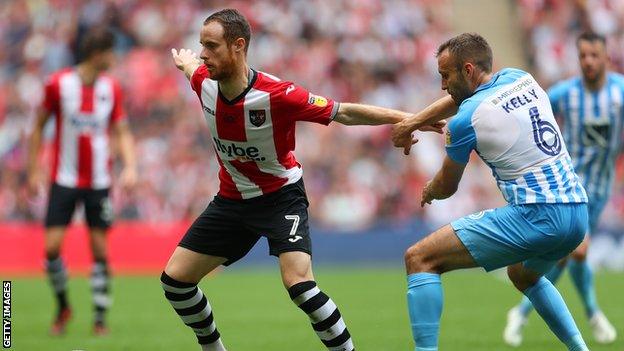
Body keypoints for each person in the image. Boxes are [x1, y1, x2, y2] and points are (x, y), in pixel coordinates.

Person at [162, 8, 442, 351]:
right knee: (175, 282)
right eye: (201, 45)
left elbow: (345, 112)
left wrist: (412, 119)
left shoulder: (279, 94)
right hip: (231, 201)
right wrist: (186, 61)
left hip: (280, 197)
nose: (204, 54)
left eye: (212, 46)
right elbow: (192, 67)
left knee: (299, 285)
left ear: (238, 46)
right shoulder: (203, 81)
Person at [391, 33, 592, 351]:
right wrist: (413, 122)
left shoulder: (465, 121)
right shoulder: (520, 77)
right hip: (577, 214)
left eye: (446, 76)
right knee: (522, 275)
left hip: (537, 215)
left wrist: (429, 190)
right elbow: (463, 98)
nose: (443, 85)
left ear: (467, 70)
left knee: (419, 259)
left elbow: (447, 186)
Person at [504, 31, 619, 347]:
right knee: (577, 250)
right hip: (569, 189)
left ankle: (522, 312)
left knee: (566, 259)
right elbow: (531, 111)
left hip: (600, 191)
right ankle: (593, 314)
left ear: (606, 58)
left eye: (594, 55)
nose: (588, 62)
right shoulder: (565, 94)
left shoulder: (620, 94)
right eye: (583, 56)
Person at [27, 27, 137, 336]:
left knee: (100, 250)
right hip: (64, 178)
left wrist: (130, 166)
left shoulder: (111, 88)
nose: (114, 58)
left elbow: (122, 130)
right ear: (97, 53)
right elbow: (37, 128)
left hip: (99, 182)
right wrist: (34, 170)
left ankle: (100, 319)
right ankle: (63, 305)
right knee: (50, 248)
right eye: (111, 52)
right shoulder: (59, 84)